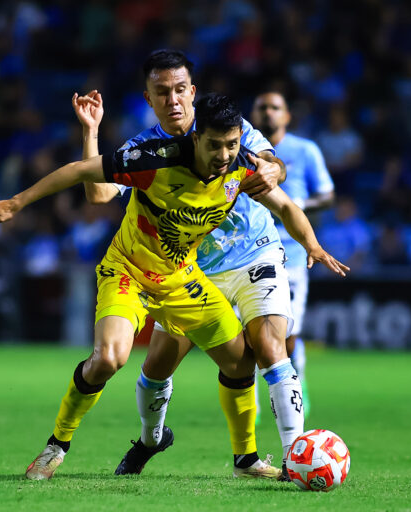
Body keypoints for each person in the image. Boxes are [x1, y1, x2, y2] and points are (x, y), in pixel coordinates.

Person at [0, 93, 348, 480]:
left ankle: (246, 460)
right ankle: (56, 446)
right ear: (197, 138)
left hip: (182, 277)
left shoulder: (242, 164)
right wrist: (17, 202)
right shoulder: (153, 157)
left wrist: (313, 246)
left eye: (231, 146)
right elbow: (81, 172)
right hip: (128, 272)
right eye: (214, 146)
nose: (223, 155)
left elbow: (285, 204)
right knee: (110, 359)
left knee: (242, 360)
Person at [77, 50, 325, 479]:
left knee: (268, 347)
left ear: (191, 92)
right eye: (162, 93)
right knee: (157, 366)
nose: (173, 100)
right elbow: (99, 196)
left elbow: (274, 166)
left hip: (254, 252)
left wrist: (273, 172)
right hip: (191, 270)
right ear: (149, 99)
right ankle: (151, 438)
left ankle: (290, 461)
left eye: (179, 90)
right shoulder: (145, 151)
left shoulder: (227, 124)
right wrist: (92, 132)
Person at [250, 91, 335, 419]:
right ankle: (253, 398)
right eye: (262, 107)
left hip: (294, 252)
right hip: (252, 250)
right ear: (253, 116)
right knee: (252, 332)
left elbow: (327, 195)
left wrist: (299, 206)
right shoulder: (240, 151)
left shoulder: (305, 150)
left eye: (275, 108)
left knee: (286, 332)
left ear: (286, 116)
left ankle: (296, 381)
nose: (268, 113)